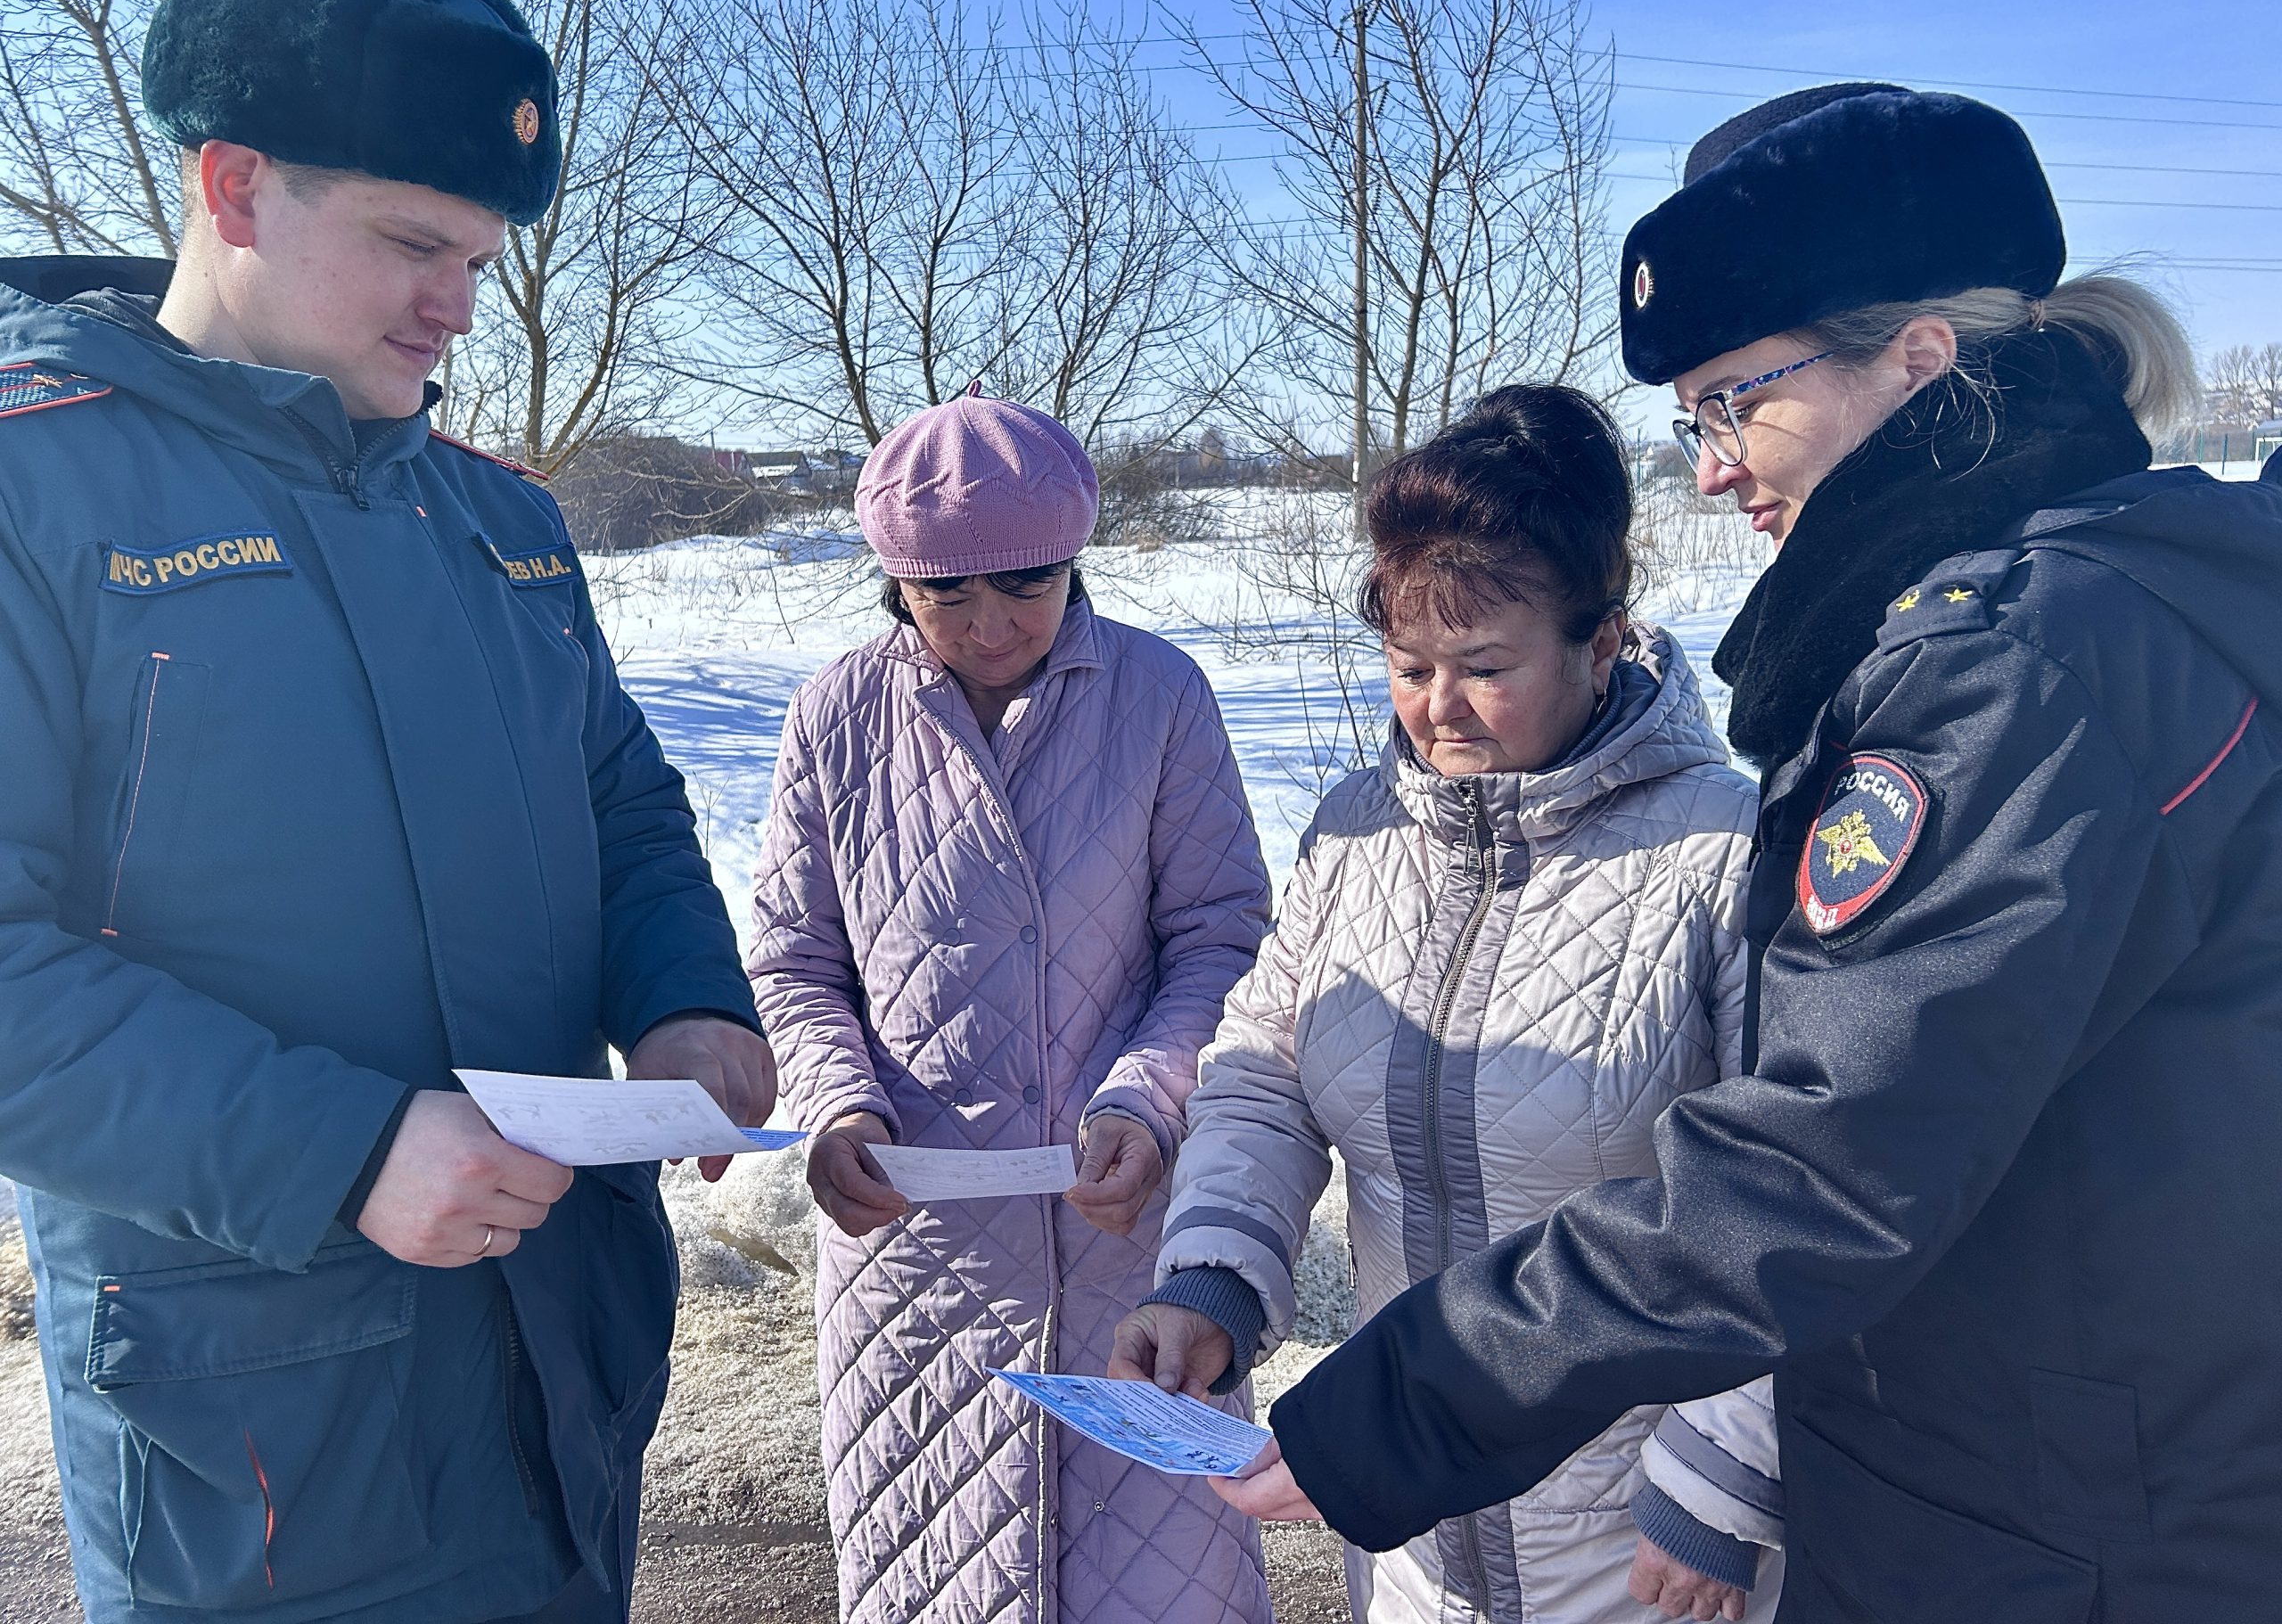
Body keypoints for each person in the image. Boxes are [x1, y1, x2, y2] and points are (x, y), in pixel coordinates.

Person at [1211, 82, 2282, 1620]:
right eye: (1691, 416)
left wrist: (1420, 1392)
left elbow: (1821, 1159)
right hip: (2080, 1462)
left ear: (1918, 363)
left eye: (1736, 402)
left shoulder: (2018, 668)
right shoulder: (2089, 607)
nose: (1713, 465)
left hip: (2058, 1520)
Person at [0, 0, 774, 1622]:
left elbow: (628, 807)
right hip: (264, 1422)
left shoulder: (499, 520)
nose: (458, 302)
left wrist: (690, 998)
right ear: (232, 184)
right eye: (415, 240)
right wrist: (342, 1151)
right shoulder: (35, 494)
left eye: (484, 258)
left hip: (553, 1372)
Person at [1109, 384, 1783, 1624]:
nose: (1438, 706)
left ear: (1602, 643)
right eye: (1410, 666)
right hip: (1408, 1519)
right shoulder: (1357, 835)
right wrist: (1209, 1276)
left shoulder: (1724, 851)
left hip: (1637, 1537)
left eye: (1484, 667)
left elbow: (1791, 1194)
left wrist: (1724, 1483)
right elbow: (1262, 1071)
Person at [747, 387, 1276, 1624]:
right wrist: (835, 1108)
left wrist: (1149, 1099)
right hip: (916, 1267)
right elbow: (791, 960)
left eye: (1027, 587)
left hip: (1124, 1248)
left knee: (1165, 1588)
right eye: (947, 596)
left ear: (1076, 560)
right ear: (897, 583)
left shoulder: (1159, 697)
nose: (990, 626)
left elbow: (1223, 944)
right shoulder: (839, 712)